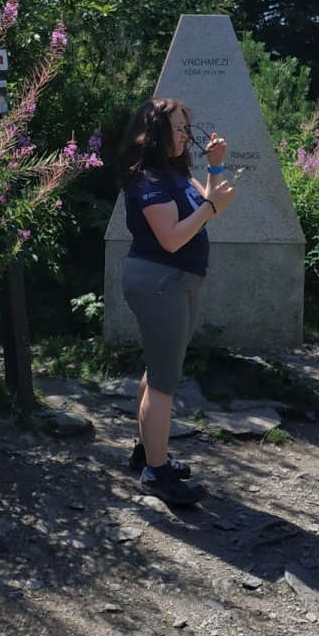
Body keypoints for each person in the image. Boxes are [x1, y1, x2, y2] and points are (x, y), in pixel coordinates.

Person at [118, 97, 238, 505]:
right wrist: (209, 206)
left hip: (177, 281)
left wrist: (215, 165)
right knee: (164, 382)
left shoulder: (176, 172)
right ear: (156, 131)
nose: (187, 134)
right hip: (159, 280)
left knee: (159, 371)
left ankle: (146, 452)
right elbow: (171, 238)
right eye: (179, 127)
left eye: (188, 126)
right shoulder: (147, 178)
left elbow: (211, 208)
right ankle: (157, 472)